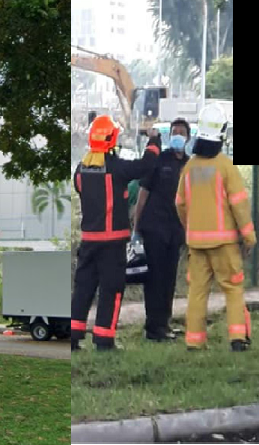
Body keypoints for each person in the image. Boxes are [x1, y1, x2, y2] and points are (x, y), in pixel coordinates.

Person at [71, 116, 162, 352]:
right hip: (112, 243)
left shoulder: (80, 170)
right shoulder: (117, 168)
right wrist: (154, 141)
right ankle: (104, 339)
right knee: (111, 291)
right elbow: (146, 165)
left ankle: (73, 337)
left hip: (89, 241)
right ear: (111, 140)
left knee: (83, 289)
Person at [176, 104, 256, 352]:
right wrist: (249, 236)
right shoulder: (225, 166)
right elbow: (239, 205)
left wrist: (191, 228)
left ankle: (194, 341)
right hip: (225, 244)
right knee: (232, 289)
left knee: (197, 293)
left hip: (196, 245)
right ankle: (238, 339)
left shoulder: (189, 168)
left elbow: (180, 203)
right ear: (222, 133)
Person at [133, 118, 191, 342]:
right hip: (154, 228)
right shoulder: (159, 160)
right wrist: (136, 228)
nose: (177, 135)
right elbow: (143, 194)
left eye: (181, 132)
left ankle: (164, 324)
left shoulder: (189, 164)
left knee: (168, 280)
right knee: (154, 279)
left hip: (176, 230)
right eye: (174, 132)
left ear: (187, 137)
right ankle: (153, 327)